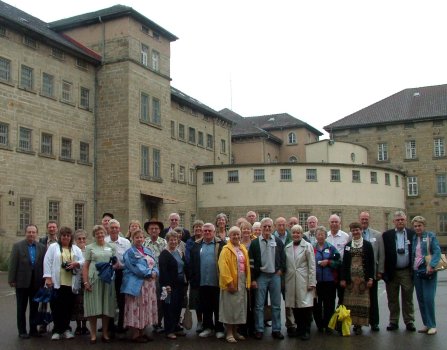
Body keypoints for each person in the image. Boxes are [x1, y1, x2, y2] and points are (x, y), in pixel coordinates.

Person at [43, 226, 85, 340]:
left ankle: (66, 329)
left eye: (68, 235)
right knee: (56, 306)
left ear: (71, 237)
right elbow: (47, 261)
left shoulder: (75, 249)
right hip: (57, 282)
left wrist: (76, 263)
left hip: (70, 283)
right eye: (63, 235)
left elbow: (82, 261)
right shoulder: (53, 247)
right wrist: (48, 278)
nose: (66, 237)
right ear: (60, 236)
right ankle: (57, 330)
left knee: (68, 307)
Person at [249, 217, 286, 340]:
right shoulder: (254, 243)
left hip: (275, 275)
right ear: (261, 228)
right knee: (259, 305)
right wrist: (253, 279)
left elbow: (283, 257)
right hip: (261, 276)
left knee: (276, 305)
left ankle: (276, 330)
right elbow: (251, 263)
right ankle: (259, 329)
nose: (267, 228)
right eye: (264, 226)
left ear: (272, 227)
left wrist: (281, 270)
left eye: (269, 226)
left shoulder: (277, 241)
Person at [8, 224, 45, 339]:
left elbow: (44, 265)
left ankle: (33, 330)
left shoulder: (42, 247)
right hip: (21, 282)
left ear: (36, 234)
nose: (31, 234)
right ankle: (22, 331)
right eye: (29, 232)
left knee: (34, 308)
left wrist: (44, 280)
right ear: (26, 233)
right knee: (21, 308)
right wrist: (11, 279)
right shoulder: (17, 246)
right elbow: (13, 264)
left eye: (33, 232)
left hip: (36, 282)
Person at [381, 210, 416, 332]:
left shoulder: (412, 234)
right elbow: (383, 254)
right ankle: (393, 321)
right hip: (392, 272)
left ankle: (409, 321)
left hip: (406, 271)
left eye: (402, 219)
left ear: (405, 221)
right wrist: (383, 271)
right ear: (393, 222)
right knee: (392, 298)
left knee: (408, 298)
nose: (400, 221)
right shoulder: (387, 235)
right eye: (398, 220)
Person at [121, 229, 158, 343]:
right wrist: (149, 273)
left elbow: (155, 263)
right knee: (136, 308)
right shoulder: (130, 252)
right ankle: (135, 334)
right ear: (132, 238)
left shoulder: (147, 250)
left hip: (149, 285)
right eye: (137, 237)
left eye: (141, 237)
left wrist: (156, 272)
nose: (139, 239)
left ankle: (142, 332)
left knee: (145, 308)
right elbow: (135, 268)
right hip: (137, 285)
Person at [189, 223, 226, 339]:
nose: (207, 232)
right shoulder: (196, 245)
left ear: (214, 232)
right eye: (205, 231)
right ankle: (208, 328)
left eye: (209, 231)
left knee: (218, 307)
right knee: (205, 307)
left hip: (217, 282)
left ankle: (219, 328)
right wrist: (193, 279)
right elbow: (192, 263)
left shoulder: (221, 244)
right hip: (202, 282)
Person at [82, 225, 117, 343]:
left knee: (106, 306)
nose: (100, 235)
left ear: (105, 233)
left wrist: (114, 266)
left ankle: (105, 333)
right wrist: (85, 281)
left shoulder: (111, 247)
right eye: (97, 233)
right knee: (94, 306)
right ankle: (93, 334)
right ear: (94, 235)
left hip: (107, 280)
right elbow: (85, 266)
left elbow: (115, 263)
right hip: (94, 279)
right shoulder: (89, 248)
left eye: (102, 233)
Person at [340, 222, 374, 335]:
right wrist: (344, 279)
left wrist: (370, 278)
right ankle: (350, 323)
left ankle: (359, 325)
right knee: (350, 303)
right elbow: (344, 263)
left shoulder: (368, 245)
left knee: (362, 303)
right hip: (351, 279)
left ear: (361, 230)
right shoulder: (348, 245)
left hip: (362, 279)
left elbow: (371, 263)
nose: (355, 232)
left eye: (357, 230)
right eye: (353, 230)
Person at [218, 226, 251, 343]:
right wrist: (229, 283)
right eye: (233, 234)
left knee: (239, 308)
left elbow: (246, 266)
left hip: (241, 281)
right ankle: (229, 333)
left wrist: (247, 281)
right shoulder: (225, 250)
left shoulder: (242, 248)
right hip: (231, 282)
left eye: (238, 234)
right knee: (229, 309)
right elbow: (223, 267)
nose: (236, 236)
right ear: (229, 236)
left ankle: (236, 332)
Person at [284, 224, 316, 341]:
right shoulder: (287, 247)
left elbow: (312, 266)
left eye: (298, 233)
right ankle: (299, 328)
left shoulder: (308, 246)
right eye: (294, 232)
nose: (296, 235)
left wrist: (312, 282)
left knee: (305, 307)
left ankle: (306, 330)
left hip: (304, 280)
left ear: (302, 234)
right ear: (291, 234)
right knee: (295, 306)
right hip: (291, 280)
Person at [411, 216, 441, 335]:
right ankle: (426, 324)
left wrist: (432, 265)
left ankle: (432, 325)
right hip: (417, 272)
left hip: (428, 271)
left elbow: (437, 251)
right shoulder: (414, 238)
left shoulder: (430, 236)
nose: (417, 228)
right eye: (415, 226)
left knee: (428, 299)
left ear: (424, 226)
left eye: (419, 225)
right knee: (421, 299)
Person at [159, 232, 187, 339]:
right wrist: (166, 285)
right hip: (169, 285)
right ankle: (169, 330)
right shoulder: (164, 254)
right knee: (169, 307)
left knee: (178, 306)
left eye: (175, 240)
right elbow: (163, 271)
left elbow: (183, 267)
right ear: (167, 240)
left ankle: (176, 327)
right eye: (171, 240)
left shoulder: (179, 252)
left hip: (180, 284)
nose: (173, 242)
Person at [359, 211, 384, 331]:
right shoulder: (352, 234)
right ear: (359, 220)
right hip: (357, 273)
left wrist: (380, 271)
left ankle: (374, 322)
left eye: (366, 219)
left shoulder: (377, 235)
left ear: (369, 220)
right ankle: (358, 323)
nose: (364, 221)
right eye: (362, 219)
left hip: (372, 271)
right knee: (359, 299)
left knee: (373, 298)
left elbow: (381, 255)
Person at [105, 219, 131, 334]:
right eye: (112, 227)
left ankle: (121, 325)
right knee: (109, 300)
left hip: (122, 273)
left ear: (119, 229)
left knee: (122, 300)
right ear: (108, 229)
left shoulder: (125, 242)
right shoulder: (104, 241)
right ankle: (110, 326)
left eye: (116, 227)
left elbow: (130, 259)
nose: (114, 229)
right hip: (108, 273)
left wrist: (122, 265)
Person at [313, 226, 340, 334]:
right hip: (316, 281)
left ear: (325, 236)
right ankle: (319, 325)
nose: (320, 236)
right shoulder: (312, 248)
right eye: (318, 234)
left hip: (329, 281)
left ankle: (328, 325)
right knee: (317, 304)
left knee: (329, 303)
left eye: (322, 234)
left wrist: (328, 262)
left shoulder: (331, 248)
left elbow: (338, 262)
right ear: (316, 236)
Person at [143, 218, 166, 333]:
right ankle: (147, 322)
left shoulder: (164, 242)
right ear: (148, 230)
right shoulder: (144, 242)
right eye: (151, 228)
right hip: (147, 277)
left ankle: (158, 323)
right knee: (147, 300)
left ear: (159, 230)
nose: (154, 230)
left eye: (156, 228)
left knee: (159, 300)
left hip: (161, 276)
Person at [273, 216, 294, 334]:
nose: (281, 227)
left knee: (289, 300)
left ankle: (291, 324)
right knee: (275, 302)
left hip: (289, 274)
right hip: (276, 274)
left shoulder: (292, 237)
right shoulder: (271, 237)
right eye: (279, 225)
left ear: (286, 225)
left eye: (283, 225)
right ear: (275, 226)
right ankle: (276, 328)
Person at [185, 220, 204, 333]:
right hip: (195, 275)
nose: (198, 229)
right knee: (197, 300)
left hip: (206, 274)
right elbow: (188, 258)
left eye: (200, 227)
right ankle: (199, 322)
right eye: (196, 227)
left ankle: (207, 322)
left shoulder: (206, 241)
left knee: (206, 300)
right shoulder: (190, 241)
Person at [326, 214, 349, 305]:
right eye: (332, 222)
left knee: (342, 296)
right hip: (329, 270)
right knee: (329, 297)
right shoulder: (325, 236)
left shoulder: (345, 236)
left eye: (336, 222)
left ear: (340, 223)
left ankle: (340, 317)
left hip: (341, 270)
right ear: (329, 223)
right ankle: (331, 317)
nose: (334, 224)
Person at [72, 229, 90, 336]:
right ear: (75, 240)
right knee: (77, 304)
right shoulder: (72, 250)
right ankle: (78, 326)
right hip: (76, 280)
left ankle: (85, 325)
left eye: (83, 238)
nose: (82, 240)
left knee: (85, 304)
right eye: (79, 239)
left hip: (86, 280)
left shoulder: (88, 250)